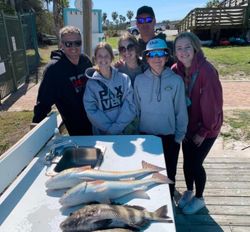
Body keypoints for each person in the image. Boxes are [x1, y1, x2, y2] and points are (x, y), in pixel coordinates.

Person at [172, 32, 223, 214]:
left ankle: (199, 197)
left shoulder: (206, 71)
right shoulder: (175, 70)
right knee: (186, 162)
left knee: (195, 163)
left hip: (208, 127)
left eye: (187, 47)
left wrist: (204, 131)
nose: (183, 51)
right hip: (187, 126)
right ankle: (189, 191)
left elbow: (214, 106)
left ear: (195, 47)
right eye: (179, 48)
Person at [134, 38, 188, 199]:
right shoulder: (139, 80)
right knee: (148, 173)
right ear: (146, 57)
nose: (157, 58)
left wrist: (179, 136)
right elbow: (136, 109)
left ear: (166, 57)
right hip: (146, 136)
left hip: (169, 137)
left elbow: (181, 110)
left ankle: (169, 200)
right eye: (152, 54)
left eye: (161, 54)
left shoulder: (176, 80)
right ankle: (152, 202)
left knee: (169, 173)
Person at [32, 26, 93, 136]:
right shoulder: (53, 70)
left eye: (77, 43)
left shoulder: (86, 61)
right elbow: (43, 104)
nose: (73, 47)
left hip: (96, 120)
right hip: (77, 129)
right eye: (68, 44)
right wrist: (35, 134)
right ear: (61, 44)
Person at [83, 42, 136, 135]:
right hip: (103, 133)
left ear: (112, 58)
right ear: (95, 59)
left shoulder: (124, 79)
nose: (103, 59)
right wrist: (109, 129)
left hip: (124, 131)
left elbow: (130, 104)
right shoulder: (91, 84)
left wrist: (117, 127)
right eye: (100, 56)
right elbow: (91, 109)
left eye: (106, 55)